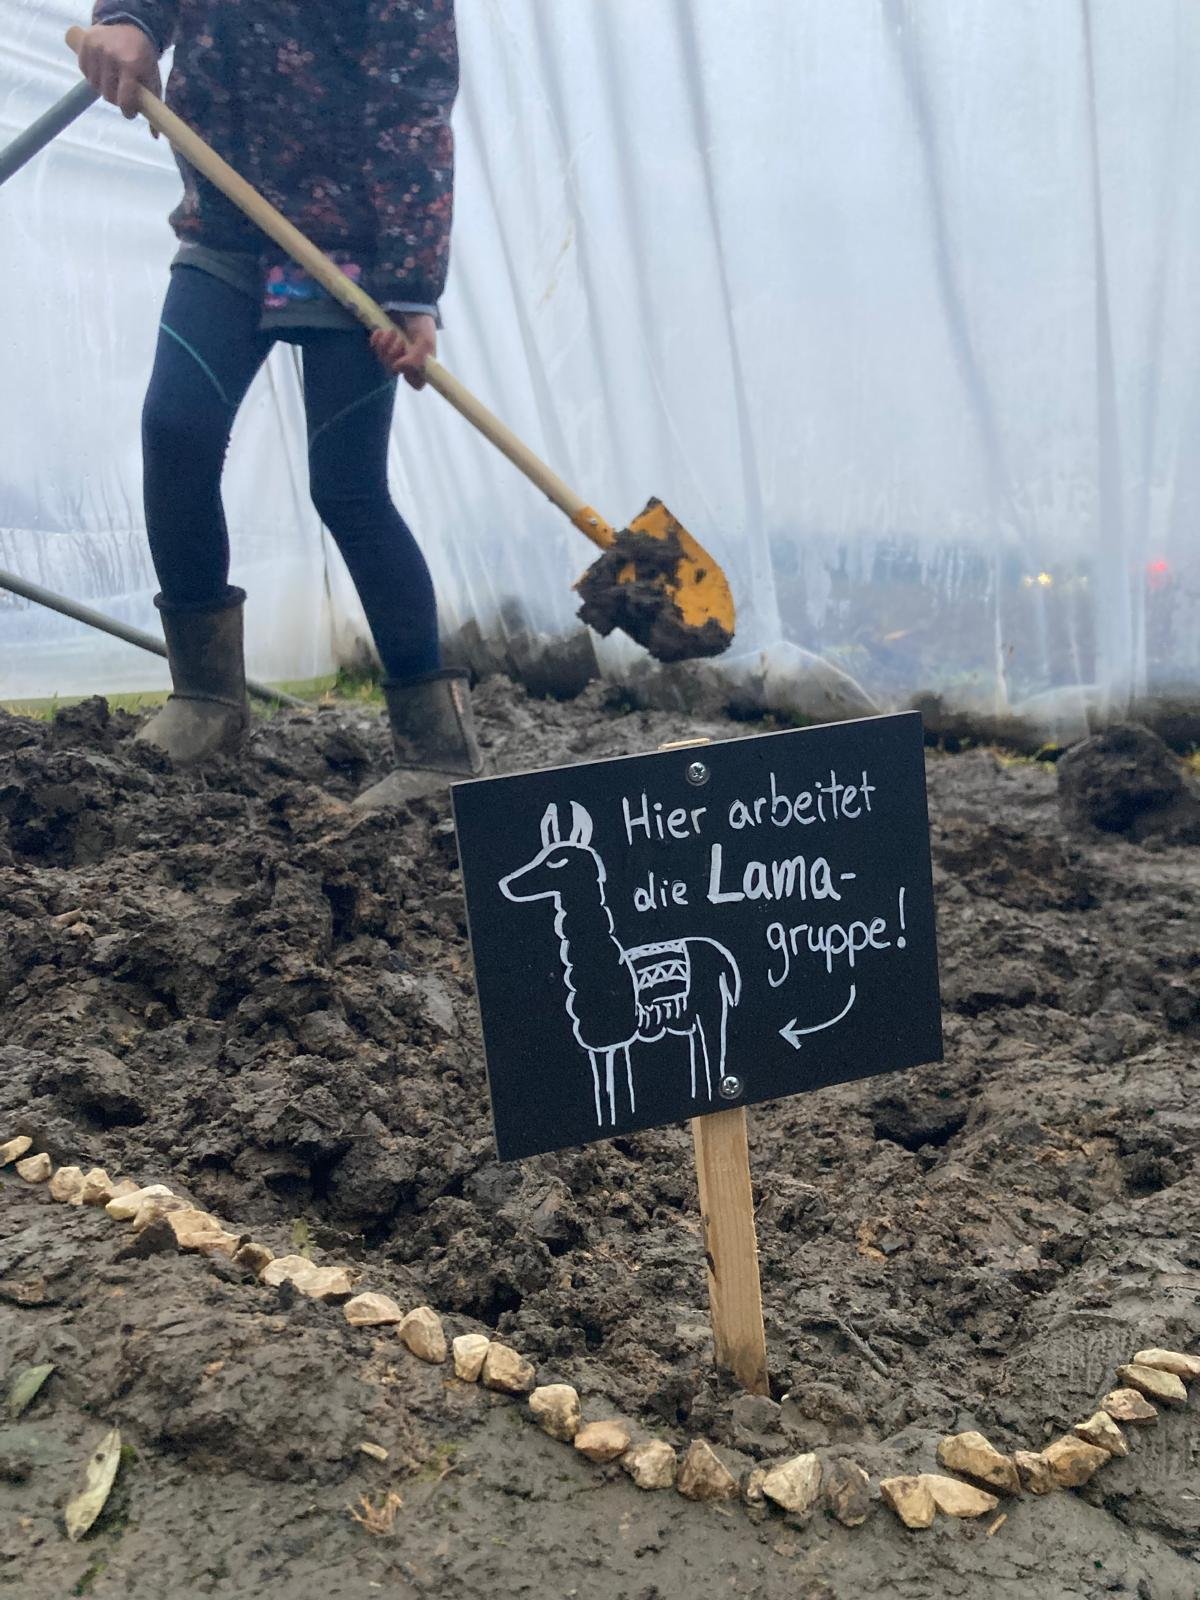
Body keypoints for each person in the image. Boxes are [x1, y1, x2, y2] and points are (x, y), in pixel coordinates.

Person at [76, 0, 482, 808]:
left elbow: (412, 104)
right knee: (175, 430)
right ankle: (206, 697)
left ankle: (437, 748)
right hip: (225, 227)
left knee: (347, 487)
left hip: (351, 254)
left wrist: (412, 287)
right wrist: (130, 20)